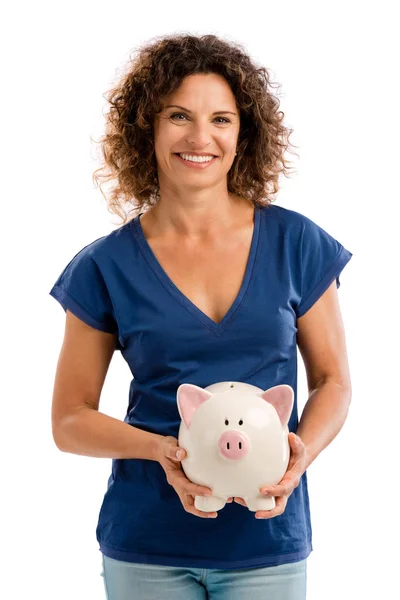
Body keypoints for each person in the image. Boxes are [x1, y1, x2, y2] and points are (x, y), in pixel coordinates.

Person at [49, 33, 353, 600]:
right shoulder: (104, 265)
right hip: (146, 542)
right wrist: (161, 451)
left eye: (221, 119)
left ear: (244, 133)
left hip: (266, 540)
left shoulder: (298, 245)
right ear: (149, 129)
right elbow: (69, 421)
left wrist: (300, 454)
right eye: (179, 116)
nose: (200, 137)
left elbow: (334, 382)